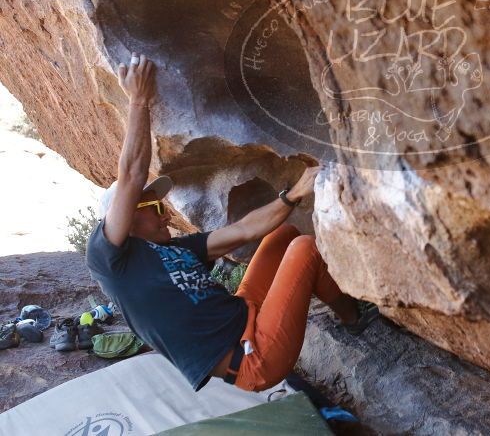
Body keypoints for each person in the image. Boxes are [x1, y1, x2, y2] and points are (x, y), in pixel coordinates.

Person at [85, 52, 378, 393]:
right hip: (253, 356)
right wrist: (138, 100)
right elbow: (132, 174)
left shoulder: (174, 250)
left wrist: (294, 193)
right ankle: (354, 318)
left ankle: (343, 312)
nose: (166, 214)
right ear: (127, 215)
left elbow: (244, 230)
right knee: (304, 249)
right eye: (153, 206)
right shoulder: (110, 262)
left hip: (246, 311)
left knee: (283, 235)